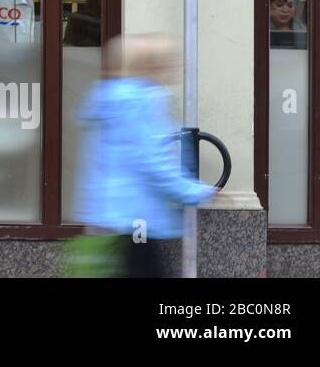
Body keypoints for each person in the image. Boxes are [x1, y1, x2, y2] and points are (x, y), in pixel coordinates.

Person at [72, 34, 218, 277]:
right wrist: (197, 191)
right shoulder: (142, 101)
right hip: (136, 216)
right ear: (148, 65)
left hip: (112, 213)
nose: (173, 67)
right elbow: (153, 162)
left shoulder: (111, 97)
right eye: (164, 61)